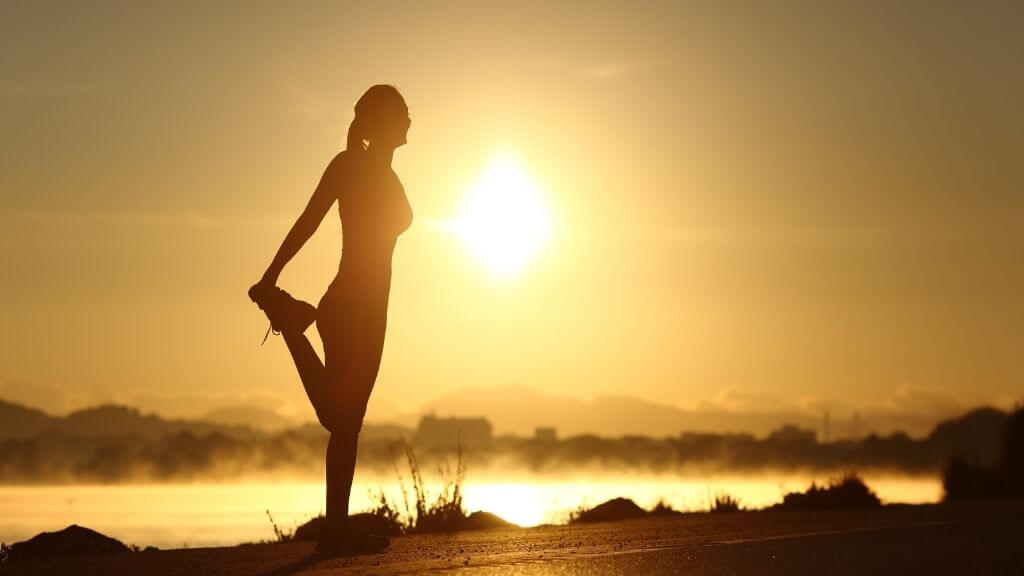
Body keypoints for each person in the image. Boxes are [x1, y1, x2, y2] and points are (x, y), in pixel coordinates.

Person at [248, 84, 412, 556]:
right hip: (351, 306)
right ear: (381, 120)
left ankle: (335, 528)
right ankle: (293, 330)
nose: (409, 120)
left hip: (369, 308)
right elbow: (309, 220)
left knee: (346, 420)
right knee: (342, 419)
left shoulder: (383, 173)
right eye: (401, 112)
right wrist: (270, 275)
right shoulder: (348, 166)